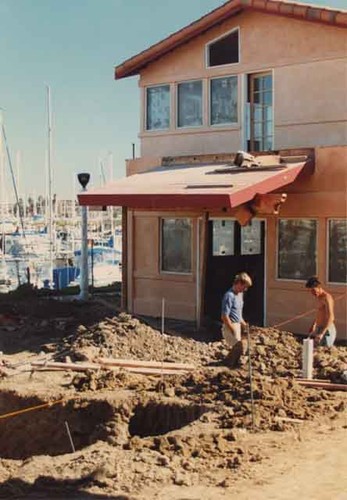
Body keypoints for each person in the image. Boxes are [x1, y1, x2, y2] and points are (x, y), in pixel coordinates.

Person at [221, 272, 253, 368]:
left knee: (244, 346)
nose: (245, 289)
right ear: (239, 283)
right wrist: (232, 329)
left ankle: (233, 365)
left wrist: (244, 324)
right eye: (244, 286)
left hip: (238, 324)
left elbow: (238, 314)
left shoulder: (240, 295)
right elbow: (224, 316)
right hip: (229, 325)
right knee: (239, 346)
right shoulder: (229, 296)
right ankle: (228, 365)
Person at [305, 276, 336, 347]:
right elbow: (320, 313)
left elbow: (331, 317)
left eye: (313, 290)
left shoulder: (327, 298)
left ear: (319, 287)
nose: (312, 293)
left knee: (325, 352)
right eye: (311, 291)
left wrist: (322, 333)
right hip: (319, 329)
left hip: (326, 330)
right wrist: (314, 324)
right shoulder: (319, 298)